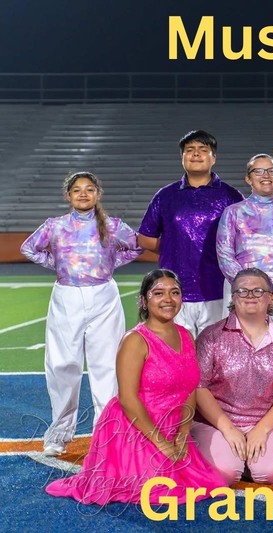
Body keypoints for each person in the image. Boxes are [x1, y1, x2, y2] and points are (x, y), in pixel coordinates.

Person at [46, 270, 227, 505]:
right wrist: (162, 443)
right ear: (144, 300)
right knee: (159, 490)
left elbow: (189, 389)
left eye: (175, 292)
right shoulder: (135, 340)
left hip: (174, 427)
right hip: (135, 428)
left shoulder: (186, 336)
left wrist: (182, 435)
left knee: (203, 484)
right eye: (158, 293)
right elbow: (127, 399)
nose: (168, 299)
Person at [21, 172, 141, 456]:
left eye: (89, 189)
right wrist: (57, 264)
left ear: (98, 193)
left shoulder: (112, 226)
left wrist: (111, 262)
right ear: (68, 196)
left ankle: (107, 434)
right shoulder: (56, 225)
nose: (83, 194)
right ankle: (59, 433)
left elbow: (137, 246)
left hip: (104, 296)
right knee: (62, 365)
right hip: (67, 295)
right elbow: (28, 248)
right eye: (77, 190)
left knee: (108, 366)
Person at [192, 268, 273, 484]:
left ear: (271, 296)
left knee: (269, 474)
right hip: (218, 421)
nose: (250, 296)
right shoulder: (211, 336)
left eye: (257, 291)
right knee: (225, 473)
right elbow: (199, 386)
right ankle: (235, 459)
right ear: (233, 297)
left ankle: (248, 461)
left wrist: (262, 429)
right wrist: (228, 429)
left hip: (266, 420)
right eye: (242, 291)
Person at [138, 129, 244, 337]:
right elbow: (146, 239)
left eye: (203, 150)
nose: (196, 154)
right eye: (190, 150)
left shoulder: (231, 196)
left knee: (213, 357)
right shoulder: (165, 196)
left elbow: (244, 243)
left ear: (214, 158)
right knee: (177, 354)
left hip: (217, 290)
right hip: (175, 292)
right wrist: (173, 247)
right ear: (182, 157)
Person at [216, 154, 273, 329]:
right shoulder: (233, 212)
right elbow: (225, 255)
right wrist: (247, 289)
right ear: (248, 178)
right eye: (258, 171)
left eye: (271, 171)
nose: (266, 175)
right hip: (241, 289)